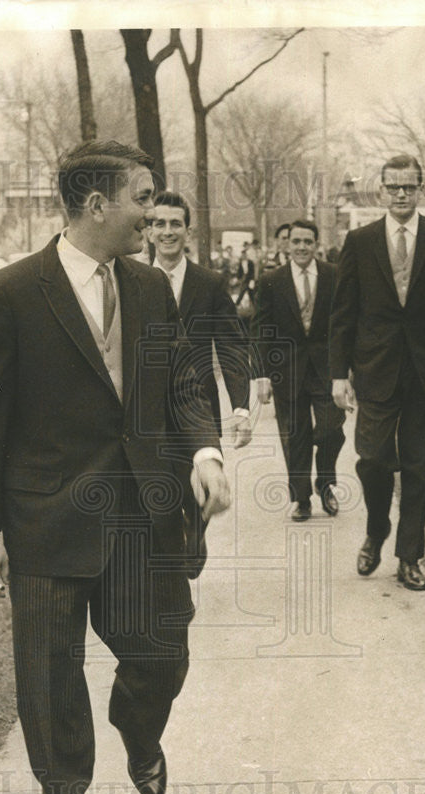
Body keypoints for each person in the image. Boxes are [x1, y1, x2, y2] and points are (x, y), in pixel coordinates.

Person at [0, 140, 231, 794]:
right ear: (98, 203)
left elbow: (180, 383)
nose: (154, 213)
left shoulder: (148, 288)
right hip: (44, 525)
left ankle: (140, 734)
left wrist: (204, 449)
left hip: (143, 514)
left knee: (162, 656)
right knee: (49, 691)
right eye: (143, 197)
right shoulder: (9, 292)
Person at [329, 154, 425, 591]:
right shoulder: (360, 241)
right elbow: (342, 315)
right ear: (381, 190)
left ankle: (409, 555)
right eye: (392, 187)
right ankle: (377, 529)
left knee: (419, 465)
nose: (399, 195)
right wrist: (339, 374)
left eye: (408, 188)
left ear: (421, 190)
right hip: (374, 371)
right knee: (371, 459)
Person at [149, 190, 253, 573]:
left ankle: (192, 541)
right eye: (158, 223)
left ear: (188, 231)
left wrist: (240, 406)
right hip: (148, 414)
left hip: (197, 411)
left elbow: (231, 346)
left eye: (175, 223)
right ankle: (170, 569)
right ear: (148, 231)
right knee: (157, 500)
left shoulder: (208, 283)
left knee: (198, 499)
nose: (167, 231)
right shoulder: (132, 281)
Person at [253, 219, 345, 521]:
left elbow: (345, 324)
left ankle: (325, 480)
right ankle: (302, 498)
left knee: (332, 429)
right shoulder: (271, 280)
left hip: (326, 370)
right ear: (287, 244)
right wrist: (262, 374)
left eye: (308, 241)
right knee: (296, 436)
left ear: (316, 245)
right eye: (296, 242)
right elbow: (261, 329)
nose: (302, 247)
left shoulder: (334, 275)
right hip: (286, 371)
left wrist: (348, 372)